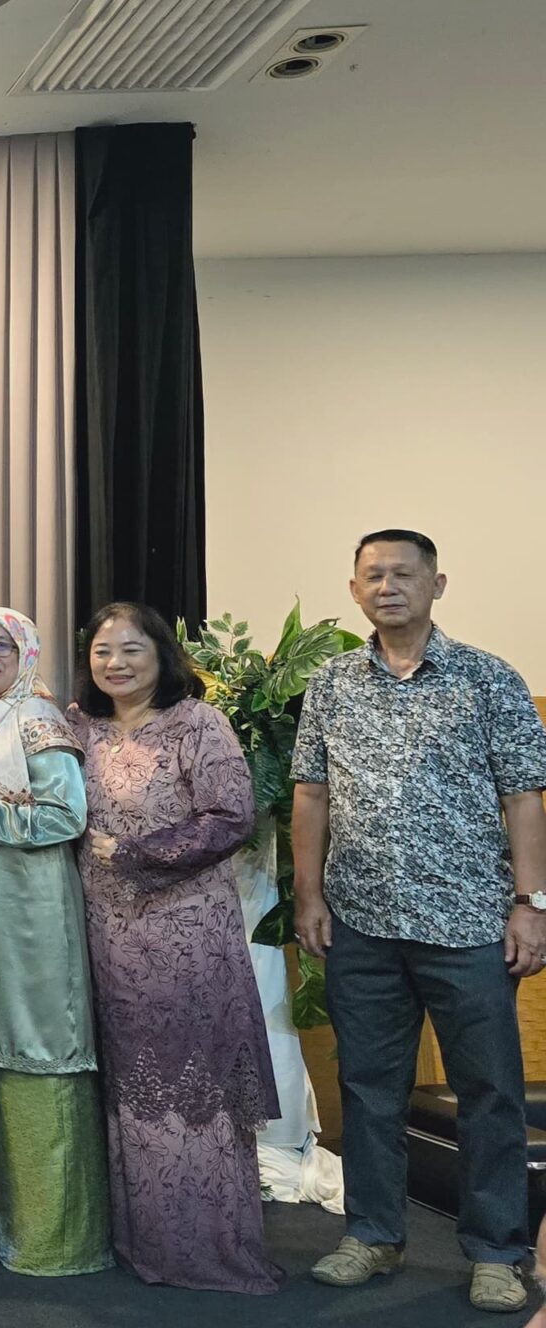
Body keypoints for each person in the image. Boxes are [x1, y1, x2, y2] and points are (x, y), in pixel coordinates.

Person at [293, 530, 546, 1314]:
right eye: (373, 575)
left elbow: (524, 797)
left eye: (404, 574)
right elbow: (311, 793)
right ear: (354, 589)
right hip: (362, 923)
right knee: (369, 1088)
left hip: (470, 925)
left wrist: (531, 904)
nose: (388, 586)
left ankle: (498, 1252)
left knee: (489, 1092)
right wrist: (308, 896)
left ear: (438, 584)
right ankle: (373, 1235)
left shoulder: (488, 678)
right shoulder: (331, 683)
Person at [68, 602, 281, 1294]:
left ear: (161, 654)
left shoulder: (198, 722)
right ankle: (142, 1242)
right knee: (129, 1082)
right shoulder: (81, 729)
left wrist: (138, 852)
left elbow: (231, 816)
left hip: (186, 931)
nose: (116, 663)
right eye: (102, 651)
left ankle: (202, 1246)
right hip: (105, 934)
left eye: (131, 649)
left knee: (191, 1082)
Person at [0, 606, 110, 1276]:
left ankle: (60, 1243)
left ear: (26, 653)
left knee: (42, 1053)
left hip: (34, 914)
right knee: (1, 1058)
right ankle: (20, 1227)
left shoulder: (36, 719)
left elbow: (66, 816)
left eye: (1, 645)